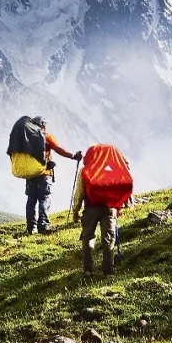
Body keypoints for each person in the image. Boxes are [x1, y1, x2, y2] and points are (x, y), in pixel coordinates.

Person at [71, 146, 131, 275]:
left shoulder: (85, 171)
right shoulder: (113, 169)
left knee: (88, 237)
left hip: (90, 209)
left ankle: (88, 270)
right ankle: (108, 269)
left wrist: (75, 211)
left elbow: (79, 193)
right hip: (109, 208)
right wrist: (119, 205)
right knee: (108, 238)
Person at [25, 117, 81, 235]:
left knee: (31, 200)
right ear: (43, 126)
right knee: (44, 199)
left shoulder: (26, 138)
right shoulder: (47, 137)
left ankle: (31, 227)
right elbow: (58, 149)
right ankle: (43, 226)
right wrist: (72, 156)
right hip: (45, 174)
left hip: (30, 174)